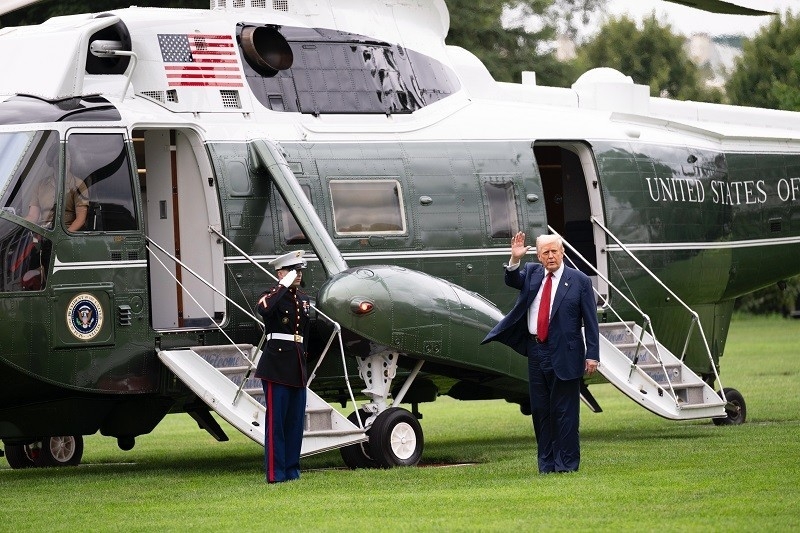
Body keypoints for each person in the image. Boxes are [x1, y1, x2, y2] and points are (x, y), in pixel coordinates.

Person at [482, 232, 599, 473]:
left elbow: (591, 321)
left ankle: (566, 464)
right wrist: (515, 259)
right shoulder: (532, 273)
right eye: (546, 252)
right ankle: (546, 464)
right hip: (536, 351)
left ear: (562, 252)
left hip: (566, 353)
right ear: (538, 256)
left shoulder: (579, 281)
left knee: (565, 411)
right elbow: (512, 280)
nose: (551, 256)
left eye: (555, 251)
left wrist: (593, 355)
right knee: (540, 409)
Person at [254, 250, 311, 483]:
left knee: (295, 423)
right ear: (281, 273)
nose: (299, 274)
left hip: (296, 365)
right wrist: (282, 285)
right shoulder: (270, 295)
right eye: (293, 270)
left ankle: (292, 470)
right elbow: (265, 310)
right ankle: (275, 473)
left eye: (300, 270)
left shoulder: (302, 299)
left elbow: (305, 333)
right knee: (276, 423)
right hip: (276, 366)